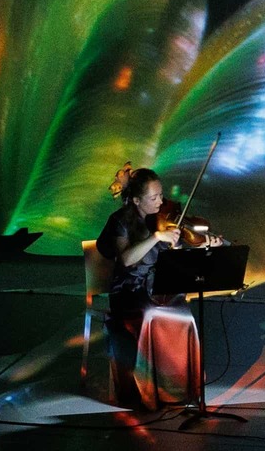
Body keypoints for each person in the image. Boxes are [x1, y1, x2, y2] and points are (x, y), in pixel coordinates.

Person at [94, 165, 224, 409]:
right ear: (136, 200)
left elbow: (176, 254)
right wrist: (155, 237)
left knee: (183, 313)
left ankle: (178, 389)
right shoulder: (120, 221)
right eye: (153, 198)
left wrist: (204, 245)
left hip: (159, 288)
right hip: (129, 291)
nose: (161, 202)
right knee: (153, 313)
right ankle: (150, 390)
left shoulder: (163, 218)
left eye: (161, 195)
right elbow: (126, 259)